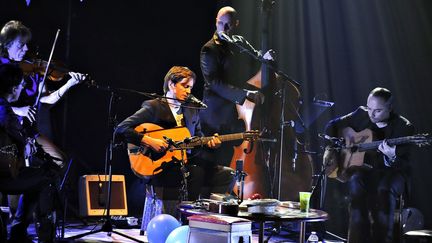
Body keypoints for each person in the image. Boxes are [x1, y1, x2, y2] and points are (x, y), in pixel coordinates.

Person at [115, 66, 235, 216]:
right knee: (196, 172)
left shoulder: (192, 110)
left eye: (190, 87)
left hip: (186, 161)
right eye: (185, 86)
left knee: (227, 174)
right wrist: (148, 140)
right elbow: (121, 128)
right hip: (160, 164)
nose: (188, 92)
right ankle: (187, 218)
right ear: (172, 84)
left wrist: (210, 144)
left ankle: (211, 217)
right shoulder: (154, 107)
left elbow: (197, 141)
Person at [324, 87, 414, 243]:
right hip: (366, 171)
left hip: (392, 173)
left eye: (377, 111)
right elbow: (330, 127)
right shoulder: (361, 113)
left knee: (384, 189)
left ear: (390, 108)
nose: (371, 114)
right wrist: (333, 149)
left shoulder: (404, 127)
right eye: (370, 108)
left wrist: (392, 156)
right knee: (355, 182)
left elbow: (404, 165)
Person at [198, 6, 273, 167]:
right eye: (220, 23)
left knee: (228, 167)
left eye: (228, 24)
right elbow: (214, 83)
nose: (224, 28)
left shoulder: (239, 42)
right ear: (216, 22)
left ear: (236, 24)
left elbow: (255, 56)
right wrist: (245, 93)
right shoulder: (209, 49)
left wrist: (264, 56)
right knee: (211, 166)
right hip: (215, 118)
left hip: (236, 115)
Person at [0, 63, 58, 243]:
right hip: (4, 175)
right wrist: (24, 143)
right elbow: (8, 136)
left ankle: (18, 230)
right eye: (22, 85)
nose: (23, 88)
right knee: (47, 176)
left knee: (36, 175)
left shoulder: (5, 108)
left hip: (6, 170)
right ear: (14, 87)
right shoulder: (4, 110)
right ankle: (33, 234)